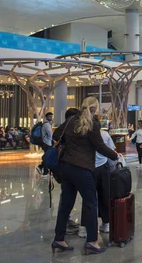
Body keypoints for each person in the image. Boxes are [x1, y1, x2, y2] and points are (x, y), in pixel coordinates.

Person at [51, 97, 119, 255]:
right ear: (95, 108)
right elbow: (100, 146)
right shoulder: (93, 124)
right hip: (82, 168)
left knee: (66, 204)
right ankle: (92, 242)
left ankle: (59, 239)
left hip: (66, 167)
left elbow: (56, 135)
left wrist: (70, 144)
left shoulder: (70, 121)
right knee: (91, 202)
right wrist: (116, 156)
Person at [78, 124, 116, 237]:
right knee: (104, 195)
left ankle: (85, 227)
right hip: (103, 168)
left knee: (88, 198)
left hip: (87, 168)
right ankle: (106, 223)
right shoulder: (104, 134)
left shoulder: (83, 134)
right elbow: (111, 150)